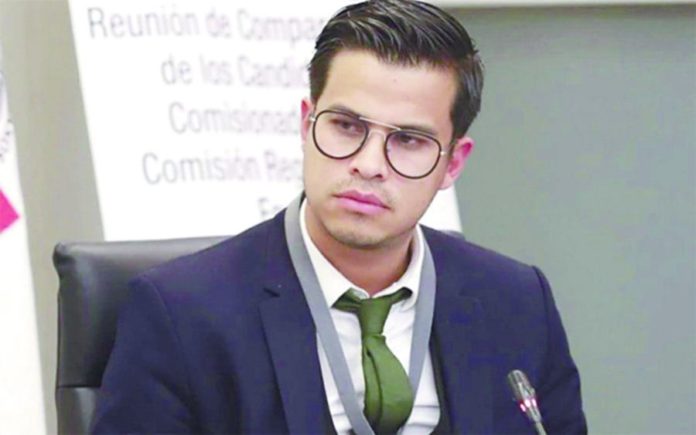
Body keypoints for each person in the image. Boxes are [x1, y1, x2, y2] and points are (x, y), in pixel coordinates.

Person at [91, 1, 587, 433]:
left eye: (408, 140)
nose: (368, 165)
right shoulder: (182, 313)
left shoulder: (517, 303)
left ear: (452, 164)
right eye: (347, 126)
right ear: (306, 124)